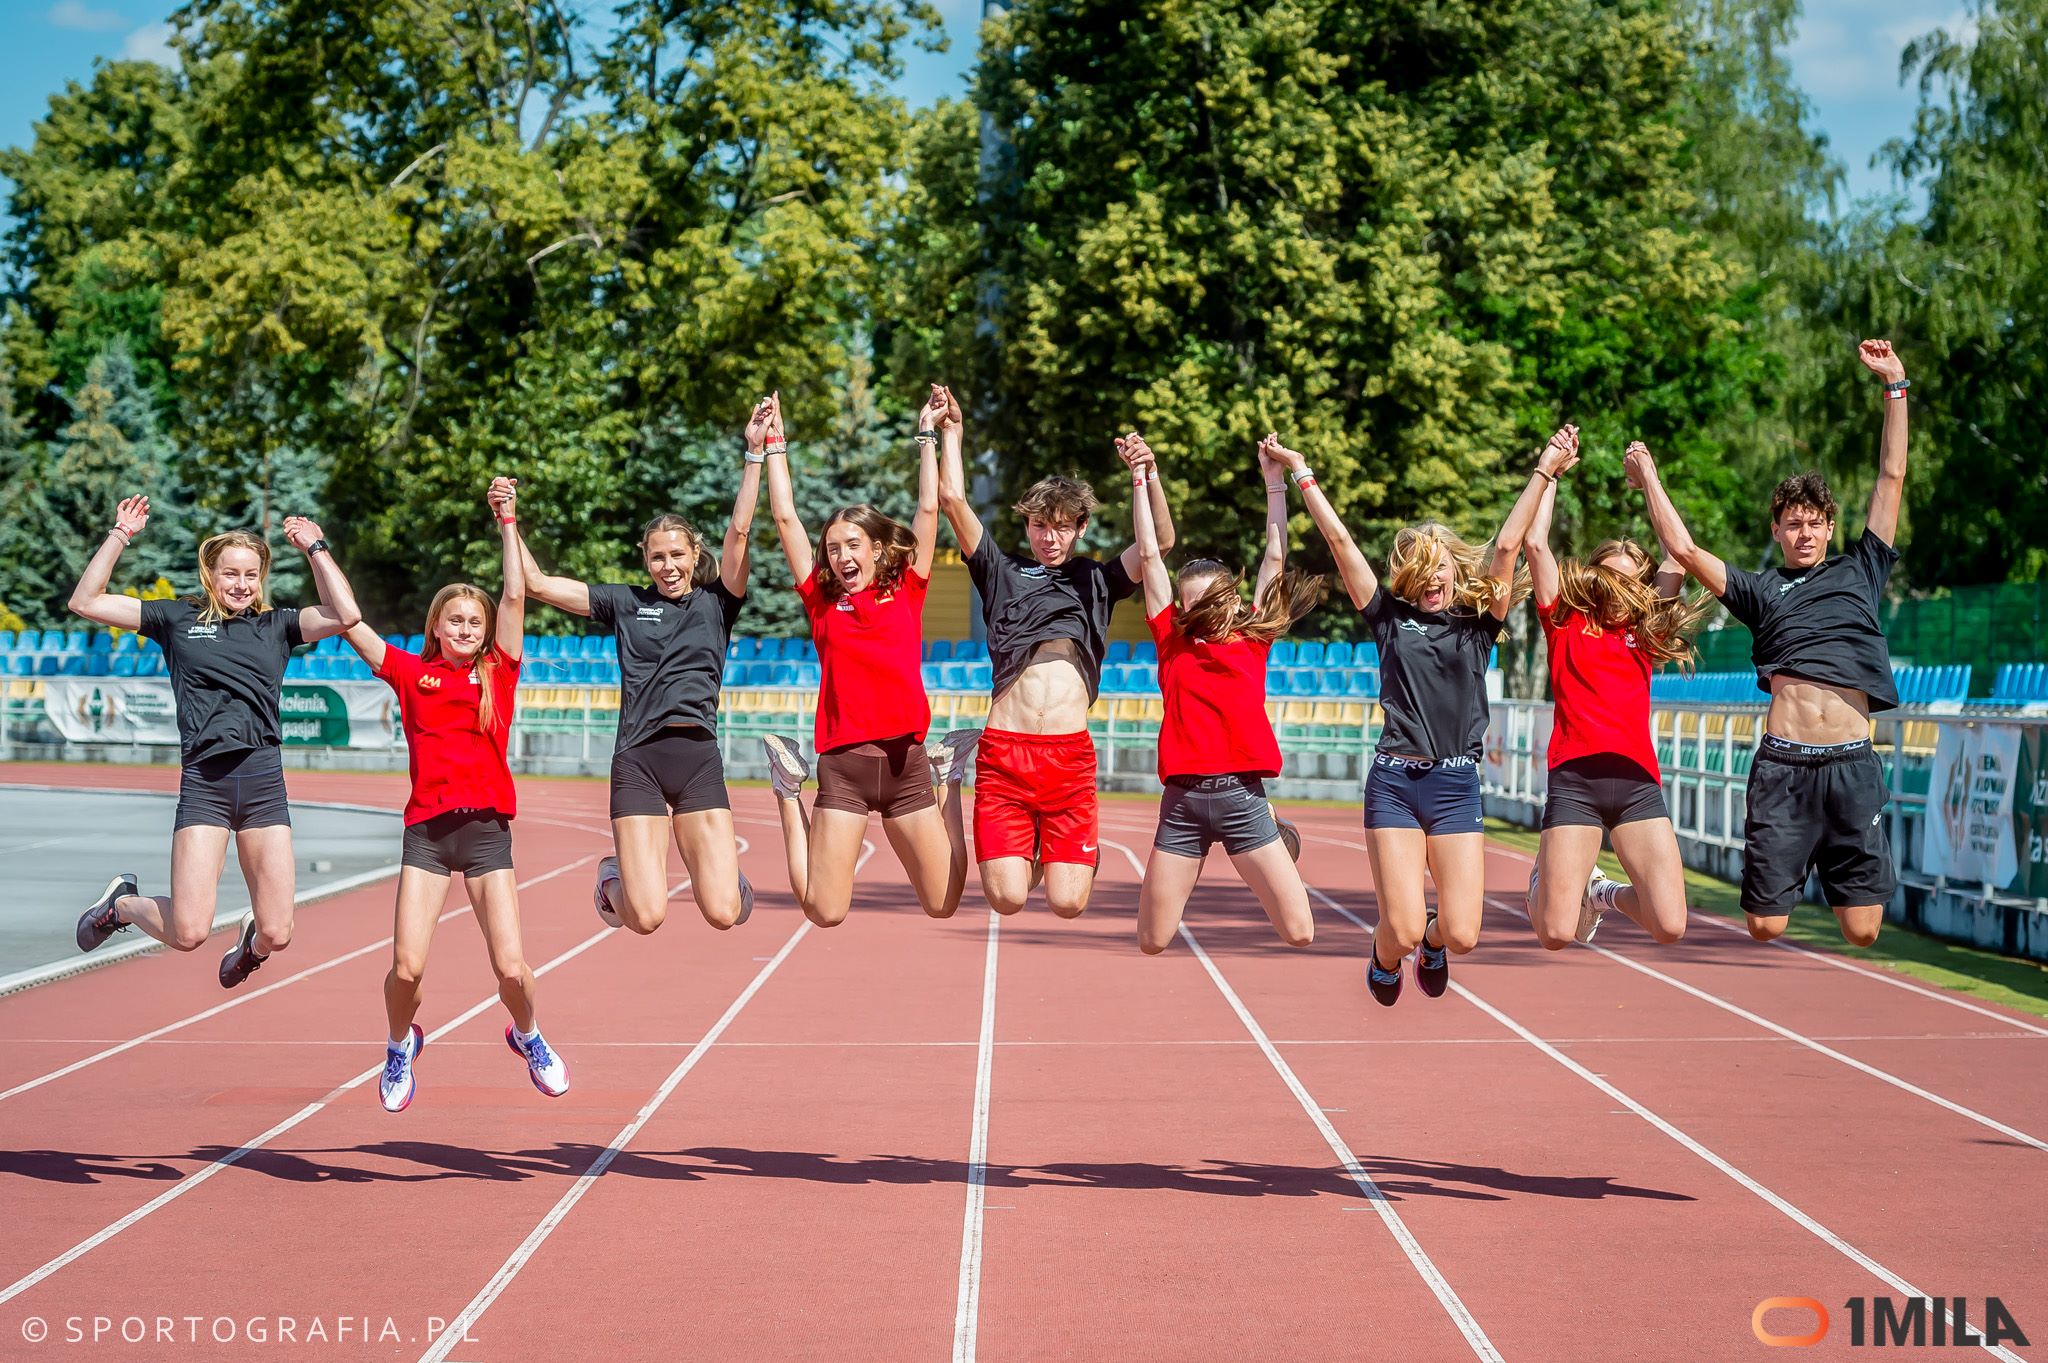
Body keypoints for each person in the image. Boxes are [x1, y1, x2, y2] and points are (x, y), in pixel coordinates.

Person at [1629, 340, 1911, 948]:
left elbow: (1891, 476)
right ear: (1776, 528)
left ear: (1830, 528)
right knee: (1764, 926)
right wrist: (1649, 478)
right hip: (1784, 766)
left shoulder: (1862, 568)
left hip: (1852, 765)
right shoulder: (1760, 590)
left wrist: (1895, 388)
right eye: (1793, 523)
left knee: (1863, 931)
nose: (1805, 532)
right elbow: (1683, 551)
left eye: (1815, 523)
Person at [1283, 430, 1547, 1004]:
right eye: (1422, 567)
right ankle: (1386, 954)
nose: (1433, 577)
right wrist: (1302, 471)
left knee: (1462, 933)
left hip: (1455, 782)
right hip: (1396, 783)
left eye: (1442, 567)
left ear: (1455, 573)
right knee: (1396, 930)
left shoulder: (1479, 626)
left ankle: (1434, 942)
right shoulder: (1386, 617)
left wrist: (1544, 470)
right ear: (1409, 575)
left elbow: (1506, 547)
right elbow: (1340, 541)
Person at [69, 501, 362, 989]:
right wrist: (121, 533)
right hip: (206, 784)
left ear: (262, 577)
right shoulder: (175, 618)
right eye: (230, 573)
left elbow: (348, 614)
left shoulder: (279, 626)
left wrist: (315, 547)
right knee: (188, 933)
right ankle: (122, 904)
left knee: (277, 930)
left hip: (264, 783)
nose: (241, 584)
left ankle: (252, 946)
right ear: (211, 573)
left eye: (251, 574)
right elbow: (86, 601)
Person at [344, 477, 566, 1111]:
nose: (467, 628)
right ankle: (399, 1043)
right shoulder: (412, 674)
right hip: (428, 835)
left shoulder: (501, 670)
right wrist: (319, 550)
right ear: (435, 627)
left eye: (476, 620)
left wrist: (507, 520)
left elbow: (517, 591)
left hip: (488, 832)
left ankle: (528, 1036)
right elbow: (353, 625)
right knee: (407, 970)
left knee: (512, 970)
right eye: (456, 620)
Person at [511, 399, 770, 935]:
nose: (668, 567)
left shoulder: (718, 602)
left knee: (726, 913)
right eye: (657, 558)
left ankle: (722, 875)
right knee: (646, 917)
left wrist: (755, 453)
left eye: (677, 556)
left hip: (697, 758)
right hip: (638, 760)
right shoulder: (625, 602)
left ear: (694, 553)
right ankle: (612, 877)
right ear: (645, 560)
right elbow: (536, 584)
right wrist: (507, 519)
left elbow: (740, 534)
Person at [936, 387, 1177, 917]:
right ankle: (950, 781)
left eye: (1062, 526)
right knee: (1007, 898)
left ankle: (1058, 851)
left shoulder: (1097, 578)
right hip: (1006, 753)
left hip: (1069, 759)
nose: (1050, 537)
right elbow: (952, 500)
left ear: (1080, 528)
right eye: (1041, 525)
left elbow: (1159, 540)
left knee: (1068, 904)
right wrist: (951, 430)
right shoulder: (1001, 571)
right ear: (1027, 525)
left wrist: (1148, 473)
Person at [755, 388, 975, 926]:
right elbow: (786, 519)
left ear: (876, 547)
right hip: (844, 769)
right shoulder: (822, 600)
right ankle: (788, 789)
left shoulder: (909, 588)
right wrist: (773, 444)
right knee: (824, 911)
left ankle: (952, 776)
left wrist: (929, 434)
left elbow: (930, 506)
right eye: (833, 547)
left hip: (909, 765)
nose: (841, 555)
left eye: (852, 544)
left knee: (944, 902)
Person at [1134, 435, 1324, 955]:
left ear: (1233, 600)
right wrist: (1141, 478)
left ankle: (1273, 827)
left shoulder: (1253, 639)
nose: (1202, 612)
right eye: (1191, 604)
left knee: (1300, 931)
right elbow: (1149, 554)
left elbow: (1275, 554)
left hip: (1242, 797)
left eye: (1213, 601)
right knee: (1152, 940)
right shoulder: (1172, 643)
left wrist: (1274, 481)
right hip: (1183, 805)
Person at [1522, 447, 1706, 949]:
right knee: (1556, 933)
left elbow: (1678, 553)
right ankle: (1544, 883)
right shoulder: (1564, 618)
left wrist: (1648, 477)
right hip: (1575, 780)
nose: (1618, 587)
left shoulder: (1648, 628)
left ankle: (1600, 894)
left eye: (1629, 579)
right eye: (1609, 575)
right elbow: (1535, 543)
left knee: (1669, 924)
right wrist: (1551, 474)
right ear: (1592, 577)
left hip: (1636, 783)